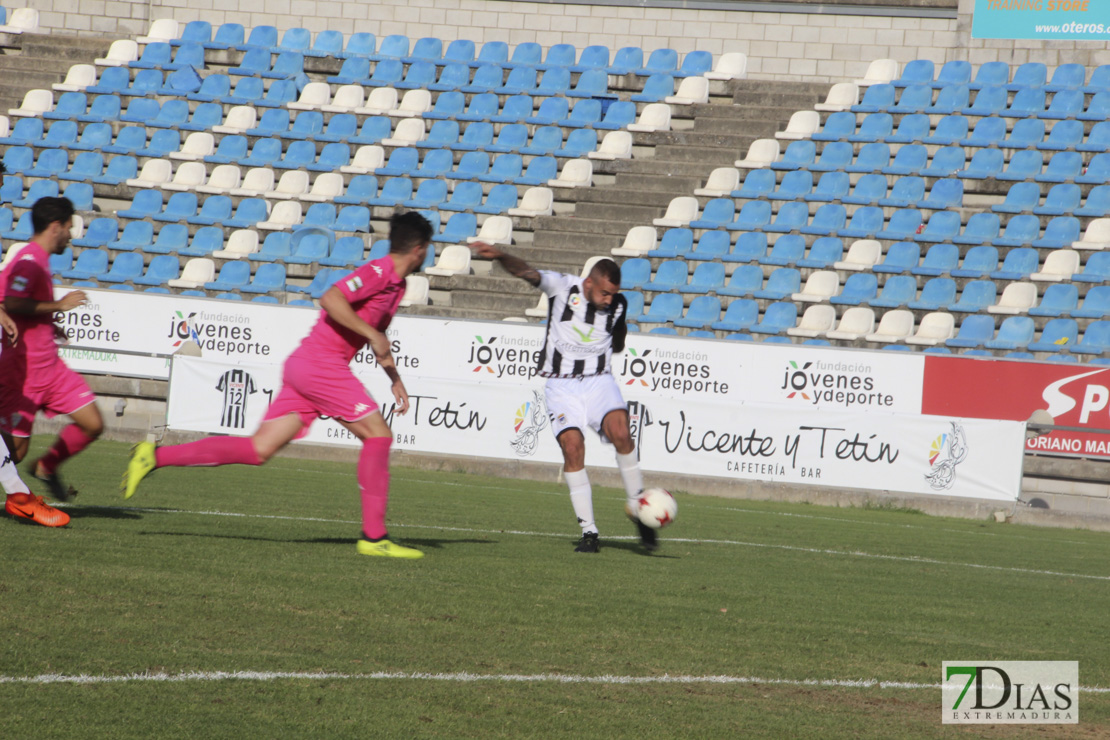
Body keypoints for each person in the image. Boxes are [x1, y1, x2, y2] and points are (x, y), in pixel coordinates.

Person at [122, 212, 433, 559]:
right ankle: (374, 538)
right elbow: (331, 299)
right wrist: (371, 334)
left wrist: (394, 378)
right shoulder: (378, 273)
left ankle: (154, 457)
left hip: (309, 369)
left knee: (258, 451)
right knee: (378, 435)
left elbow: (379, 338)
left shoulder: (398, 286)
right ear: (419, 250)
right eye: (428, 250)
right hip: (320, 365)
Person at [471, 243, 656, 554]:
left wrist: (613, 338)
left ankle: (639, 507)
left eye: (613, 294)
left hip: (599, 382)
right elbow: (526, 272)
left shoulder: (618, 304)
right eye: (604, 293)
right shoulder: (561, 287)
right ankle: (589, 531)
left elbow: (619, 336)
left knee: (623, 434)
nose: (609, 299)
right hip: (561, 386)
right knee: (573, 447)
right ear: (588, 284)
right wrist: (502, 256)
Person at [1, 196, 102, 527]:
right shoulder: (28, 259)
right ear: (55, 227)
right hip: (22, 374)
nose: (71, 236)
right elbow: (11, 301)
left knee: (93, 423)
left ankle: (46, 468)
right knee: (13, 453)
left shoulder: (39, 260)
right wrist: (57, 307)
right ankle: (20, 496)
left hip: (52, 369)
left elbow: (24, 304)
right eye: (69, 229)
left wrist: (47, 321)